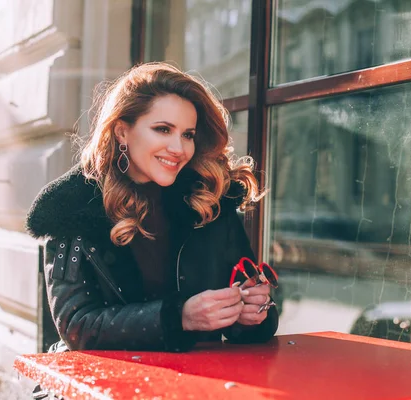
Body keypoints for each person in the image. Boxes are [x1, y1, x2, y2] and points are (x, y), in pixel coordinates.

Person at [25, 62, 278, 353]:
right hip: (108, 389)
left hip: (200, 387)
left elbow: (255, 318)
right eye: (163, 129)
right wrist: (179, 317)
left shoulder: (210, 201)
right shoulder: (73, 208)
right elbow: (77, 326)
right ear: (122, 132)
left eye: (188, 134)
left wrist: (250, 314)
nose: (179, 148)